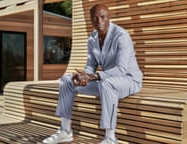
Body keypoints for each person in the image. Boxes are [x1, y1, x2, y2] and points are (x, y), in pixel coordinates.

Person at [43, 3, 143, 144]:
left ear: (108, 17)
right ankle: (65, 131)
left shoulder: (121, 36)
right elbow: (90, 65)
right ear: (91, 20)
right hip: (104, 82)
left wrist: (94, 76)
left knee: (107, 84)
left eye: (102, 17)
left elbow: (122, 69)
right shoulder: (92, 39)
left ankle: (110, 138)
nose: (99, 21)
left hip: (128, 80)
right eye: (95, 18)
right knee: (67, 80)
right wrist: (84, 76)